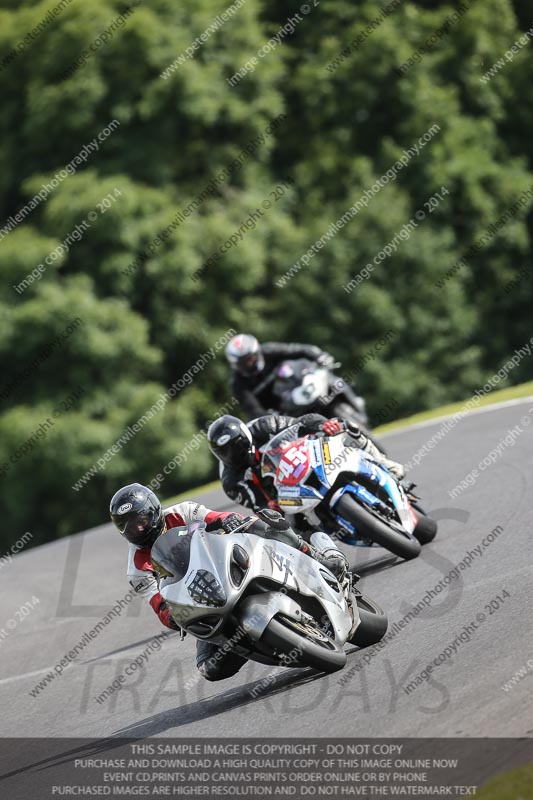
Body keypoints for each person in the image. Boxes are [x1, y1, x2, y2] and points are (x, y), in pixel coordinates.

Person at [109, 483, 349, 682]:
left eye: (139, 520)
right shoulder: (137, 569)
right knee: (210, 668)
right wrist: (172, 616)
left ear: (153, 511)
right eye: (128, 526)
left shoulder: (183, 512)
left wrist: (234, 521)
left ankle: (317, 556)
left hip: (228, 560)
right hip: (203, 599)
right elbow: (158, 604)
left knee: (266, 523)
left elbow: (217, 518)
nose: (137, 529)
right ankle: (262, 642)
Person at [207, 413, 405, 521]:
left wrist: (323, 425)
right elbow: (258, 504)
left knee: (347, 427)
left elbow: (302, 423)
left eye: (237, 446)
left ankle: (385, 463)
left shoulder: (263, 425)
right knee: (287, 529)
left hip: (301, 460)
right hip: (283, 493)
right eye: (226, 452)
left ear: (245, 435)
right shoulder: (231, 481)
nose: (234, 454)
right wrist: (271, 507)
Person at [225, 333, 334, 419]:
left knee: (333, 381)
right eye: (243, 362)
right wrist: (272, 420)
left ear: (257, 352)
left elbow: (297, 349)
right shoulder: (238, 384)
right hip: (287, 412)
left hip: (304, 384)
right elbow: (253, 411)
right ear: (235, 364)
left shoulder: (269, 350)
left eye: (250, 359)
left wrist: (319, 356)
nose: (248, 364)